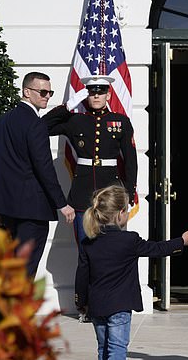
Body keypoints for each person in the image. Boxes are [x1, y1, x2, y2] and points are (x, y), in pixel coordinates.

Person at [75, 185, 188, 360]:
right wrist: (182, 241)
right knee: (117, 350)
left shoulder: (88, 243)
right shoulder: (129, 240)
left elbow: (81, 275)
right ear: (121, 214)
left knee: (104, 349)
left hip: (98, 307)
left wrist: (80, 302)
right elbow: (157, 249)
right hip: (120, 306)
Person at [0, 71, 75, 277]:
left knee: (11, 267)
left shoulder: (3, 120)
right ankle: (18, 310)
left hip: (7, 208)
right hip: (32, 210)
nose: (47, 96)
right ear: (27, 92)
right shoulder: (35, 124)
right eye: (42, 92)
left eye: (50, 92)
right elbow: (44, 167)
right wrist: (62, 203)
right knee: (25, 269)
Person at [42, 75, 137, 248]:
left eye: (101, 92)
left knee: (111, 248)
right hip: (82, 193)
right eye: (92, 92)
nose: (96, 96)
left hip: (110, 193)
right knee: (85, 250)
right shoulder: (76, 120)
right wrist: (68, 106)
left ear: (108, 95)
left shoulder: (121, 122)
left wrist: (128, 193)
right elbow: (42, 127)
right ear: (87, 95)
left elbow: (130, 160)